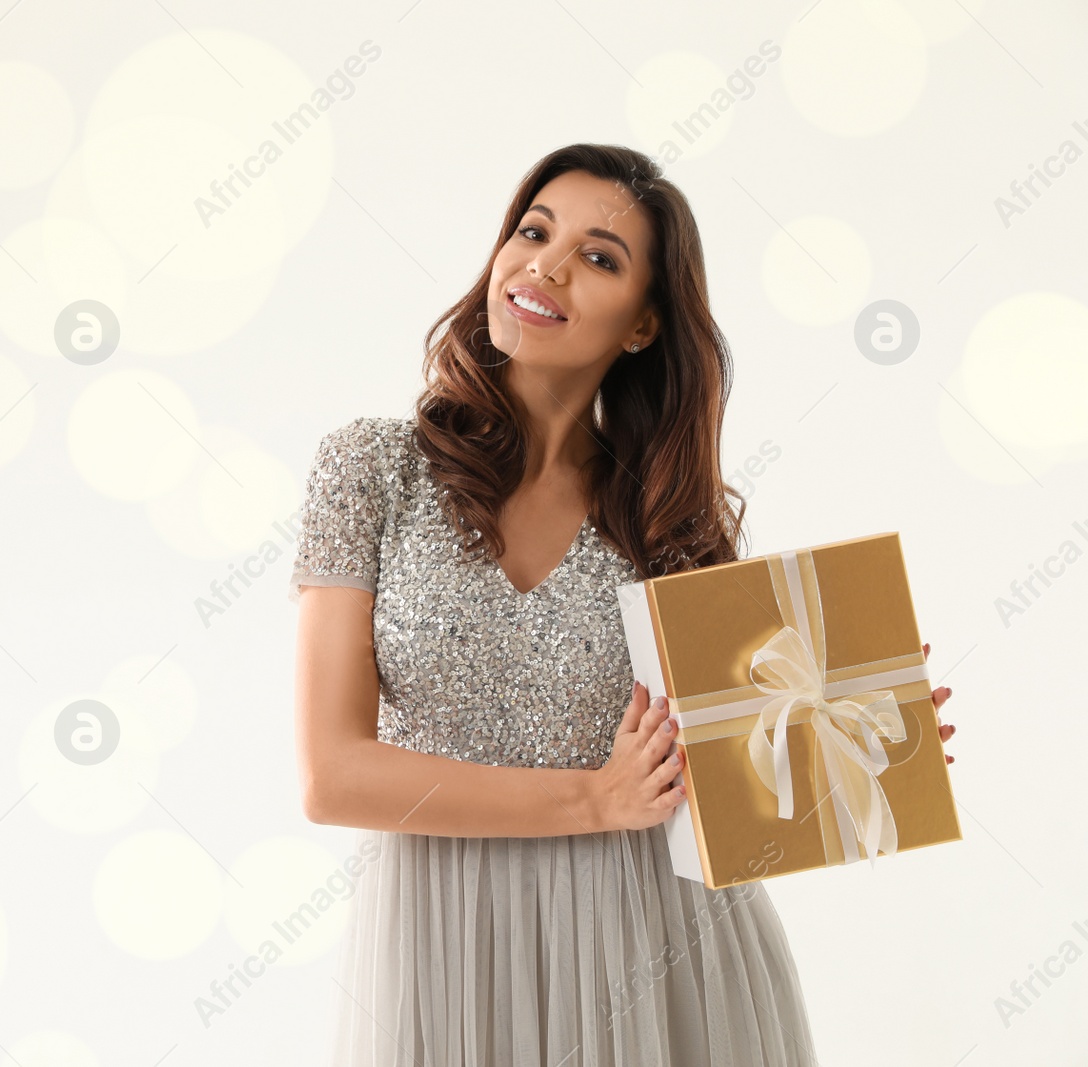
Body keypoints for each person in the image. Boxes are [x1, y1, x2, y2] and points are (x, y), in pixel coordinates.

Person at [288, 144, 957, 1066]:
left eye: (598, 257)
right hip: (444, 947)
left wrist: (859, 734)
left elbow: (728, 780)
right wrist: (592, 798)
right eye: (533, 231)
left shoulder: (672, 516)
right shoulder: (371, 467)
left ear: (643, 325)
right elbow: (333, 776)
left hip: (659, 949)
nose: (545, 266)